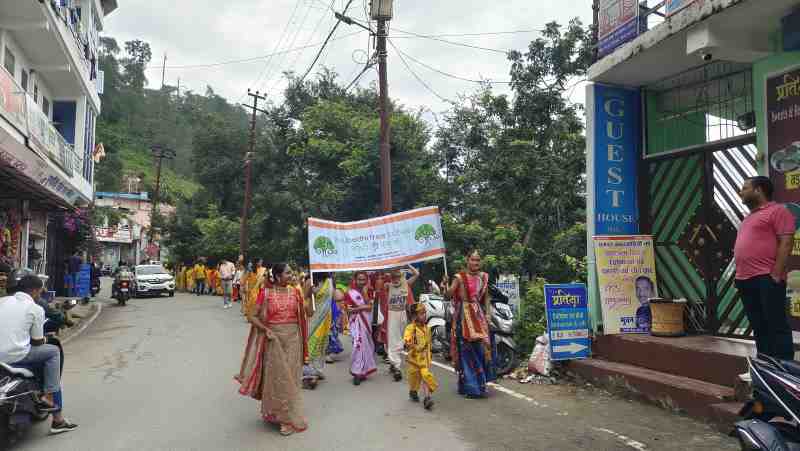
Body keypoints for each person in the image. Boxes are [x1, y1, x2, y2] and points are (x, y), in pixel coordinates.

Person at [235, 263, 309, 436]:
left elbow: (309, 314)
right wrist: (265, 329)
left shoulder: (296, 293)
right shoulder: (266, 293)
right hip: (273, 340)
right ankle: (281, 417)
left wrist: (309, 294)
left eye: (292, 272)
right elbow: (251, 315)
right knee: (277, 378)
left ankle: (287, 415)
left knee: (290, 377)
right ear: (276, 276)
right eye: (288, 273)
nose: (292, 275)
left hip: (293, 340)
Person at [0, 275, 78, 434]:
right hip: (15, 356)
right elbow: (37, 342)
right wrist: (43, 338)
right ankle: (53, 409)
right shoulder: (35, 308)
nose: (40, 295)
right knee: (53, 352)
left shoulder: (3, 301)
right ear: (35, 291)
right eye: (40, 292)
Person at [735, 176, 796, 360]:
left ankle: (785, 370)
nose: (741, 192)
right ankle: (765, 366)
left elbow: (786, 243)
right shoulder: (749, 218)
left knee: (776, 325)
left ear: (759, 190)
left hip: (766, 278)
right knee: (759, 325)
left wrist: (776, 274)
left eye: (745, 188)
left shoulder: (778, 211)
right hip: (745, 279)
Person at [442, 250, 496, 398]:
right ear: (467, 260)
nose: (476, 263)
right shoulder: (459, 278)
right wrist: (446, 285)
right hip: (463, 317)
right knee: (466, 351)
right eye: (473, 260)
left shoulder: (483, 277)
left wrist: (488, 314)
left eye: (478, 260)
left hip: (478, 316)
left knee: (482, 348)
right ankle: (471, 387)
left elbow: (486, 298)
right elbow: (448, 295)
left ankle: (479, 383)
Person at [378, 265, 419, 381]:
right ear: (391, 278)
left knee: (402, 340)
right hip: (392, 314)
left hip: (403, 314)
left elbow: (416, 274)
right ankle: (397, 367)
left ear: (401, 277)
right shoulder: (388, 286)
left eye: (398, 276)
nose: (396, 279)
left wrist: (407, 265)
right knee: (392, 340)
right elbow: (381, 280)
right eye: (393, 277)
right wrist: (391, 266)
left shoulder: (406, 283)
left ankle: (393, 362)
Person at [341, 271, 377, 385]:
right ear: (355, 280)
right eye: (359, 279)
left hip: (366, 321)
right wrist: (362, 308)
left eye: (363, 279)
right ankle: (357, 372)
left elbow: (370, 307)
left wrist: (364, 295)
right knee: (358, 345)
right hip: (355, 322)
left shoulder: (370, 290)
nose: (361, 282)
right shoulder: (349, 293)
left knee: (365, 345)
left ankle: (363, 370)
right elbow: (348, 309)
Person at [404, 301, 438, 410]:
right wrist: (409, 343)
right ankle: (413, 391)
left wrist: (430, 353)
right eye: (421, 313)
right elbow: (407, 339)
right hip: (414, 358)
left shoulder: (427, 328)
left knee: (425, 376)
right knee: (414, 378)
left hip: (424, 359)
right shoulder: (410, 328)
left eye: (424, 313)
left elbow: (429, 343)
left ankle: (427, 398)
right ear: (414, 316)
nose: (424, 315)